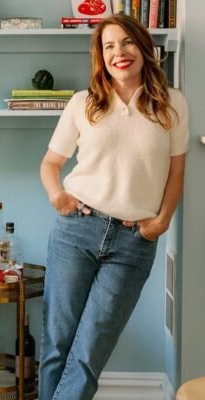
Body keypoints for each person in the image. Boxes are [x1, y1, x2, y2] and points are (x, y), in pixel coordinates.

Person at [38, 14, 189, 400]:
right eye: (109, 46)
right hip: (76, 231)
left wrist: (161, 221)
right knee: (57, 343)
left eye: (127, 42)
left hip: (134, 242)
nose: (118, 52)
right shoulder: (83, 103)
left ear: (144, 47)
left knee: (90, 352)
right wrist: (57, 196)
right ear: (100, 56)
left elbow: (176, 174)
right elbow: (51, 163)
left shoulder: (172, 104)